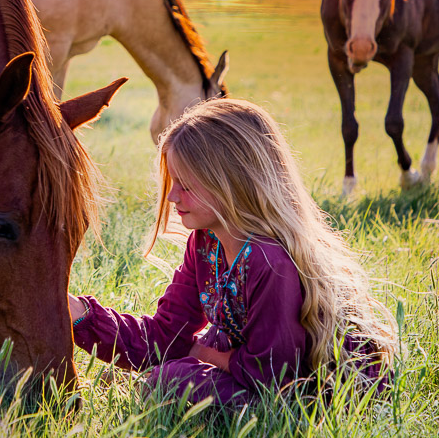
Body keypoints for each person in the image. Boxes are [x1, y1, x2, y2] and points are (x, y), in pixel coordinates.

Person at [69, 98, 399, 407]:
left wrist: (199, 353)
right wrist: (77, 312)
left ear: (232, 183)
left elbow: (272, 380)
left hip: (310, 392)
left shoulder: (270, 260)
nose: (172, 197)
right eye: (173, 183)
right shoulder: (205, 244)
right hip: (256, 372)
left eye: (186, 185)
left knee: (169, 380)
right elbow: (164, 336)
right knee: (176, 367)